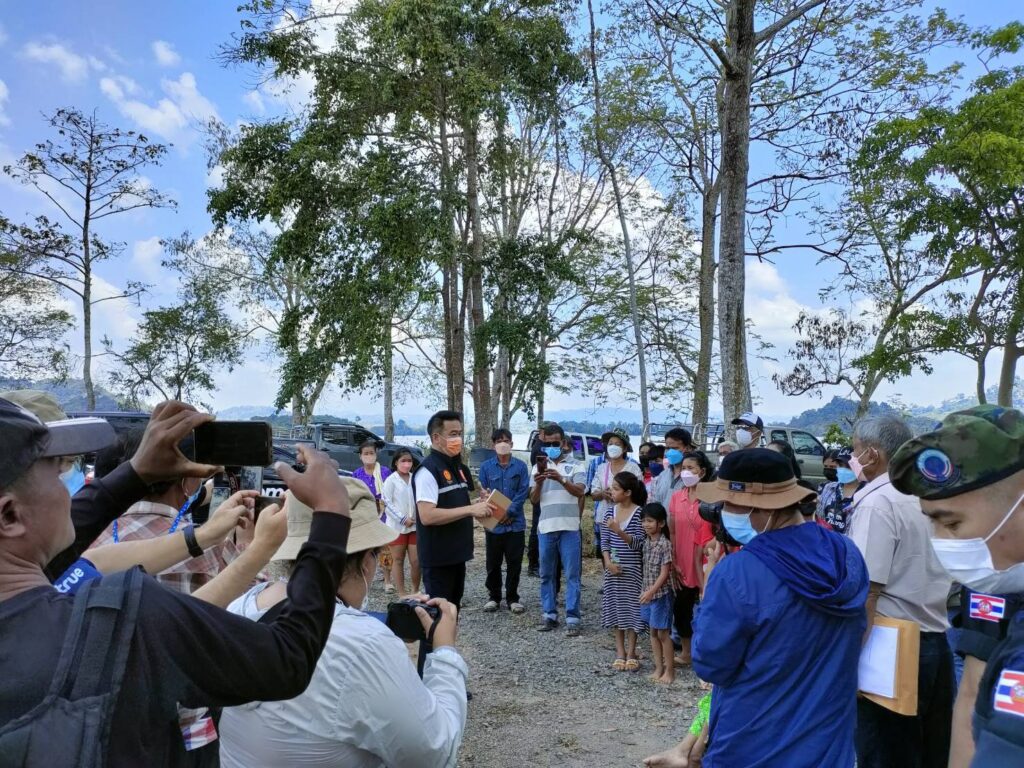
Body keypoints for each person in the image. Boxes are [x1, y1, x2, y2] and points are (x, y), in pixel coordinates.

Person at [0, 398, 355, 766]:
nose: (68, 491)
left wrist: (137, 473)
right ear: (9, 515)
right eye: (55, 474)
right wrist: (331, 512)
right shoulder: (124, 620)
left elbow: (77, 552)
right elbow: (288, 658)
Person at [218, 482, 468, 767]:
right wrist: (444, 651)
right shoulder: (364, 644)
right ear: (366, 561)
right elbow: (435, 752)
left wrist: (383, 624)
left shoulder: (242, 606)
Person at [651, 448, 868, 768]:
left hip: (754, 741)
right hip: (828, 741)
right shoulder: (847, 553)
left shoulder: (738, 573)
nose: (722, 512)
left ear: (759, 506)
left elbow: (711, 664)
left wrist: (710, 590)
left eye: (728, 503)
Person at [888, 405, 1024, 767]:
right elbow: (972, 692)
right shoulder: (992, 581)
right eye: (932, 524)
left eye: (951, 524)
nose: (941, 542)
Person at [847, 415, 953, 768]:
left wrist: (851, 658)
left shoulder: (877, 503)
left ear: (872, 454)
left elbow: (867, 591)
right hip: (935, 637)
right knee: (930, 752)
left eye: (855, 451)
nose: (853, 459)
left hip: (889, 646)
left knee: (885, 751)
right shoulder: (926, 494)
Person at [89, 428, 244, 594]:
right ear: (187, 481)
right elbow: (249, 602)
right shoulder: (211, 548)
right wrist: (246, 543)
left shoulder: (88, 541)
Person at [414, 410, 495, 668]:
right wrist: (471, 509)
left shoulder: (458, 468)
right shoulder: (428, 470)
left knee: (452, 614)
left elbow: (457, 503)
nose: (457, 439)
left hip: (457, 554)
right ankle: (430, 672)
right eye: (452, 434)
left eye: (460, 433)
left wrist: (479, 503)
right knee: (437, 618)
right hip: (438, 557)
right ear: (436, 438)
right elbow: (427, 515)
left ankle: (446, 668)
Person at [530, 423, 586, 637]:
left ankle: (573, 617)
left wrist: (561, 479)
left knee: (572, 574)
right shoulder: (538, 467)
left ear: (563, 443)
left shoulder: (577, 465)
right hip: (546, 527)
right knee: (546, 574)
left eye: (556, 443)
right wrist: (539, 483)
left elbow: (580, 492)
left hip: (570, 527)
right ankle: (549, 614)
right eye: (548, 444)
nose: (552, 447)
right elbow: (533, 500)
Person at [668, 451, 715, 667]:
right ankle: (686, 652)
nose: (686, 472)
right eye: (684, 468)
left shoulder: (712, 498)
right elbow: (673, 531)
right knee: (682, 608)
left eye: (691, 468)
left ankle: (707, 654)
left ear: (702, 472)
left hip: (707, 560)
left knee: (709, 608)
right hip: (682, 560)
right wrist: (674, 559)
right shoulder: (677, 497)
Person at [478, 428, 530, 614]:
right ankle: (494, 597)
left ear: (512, 444)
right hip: (494, 524)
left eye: (506, 440)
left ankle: (513, 598)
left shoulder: (521, 466)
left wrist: (510, 512)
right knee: (493, 563)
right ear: (493, 445)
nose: (503, 444)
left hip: (515, 524)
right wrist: (500, 514)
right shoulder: (486, 467)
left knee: (514, 563)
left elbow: (523, 492)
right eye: (499, 441)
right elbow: (484, 493)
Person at [600, 472, 648, 670]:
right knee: (616, 608)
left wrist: (619, 530)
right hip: (613, 569)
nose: (611, 491)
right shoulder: (609, 512)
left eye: (616, 488)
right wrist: (607, 562)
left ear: (627, 492)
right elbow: (604, 542)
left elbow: (639, 544)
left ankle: (631, 652)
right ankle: (620, 651)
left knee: (632, 609)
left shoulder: (639, 513)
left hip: (633, 570)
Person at [590, 428, 642, 564]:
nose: (613, 446)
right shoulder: (601, 468)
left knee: (627, 550)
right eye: (610, 443)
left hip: (629, 518)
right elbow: (593, 494)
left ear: (624, 448)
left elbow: (639, 492)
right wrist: (603, 494)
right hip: (606, 518)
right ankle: (609, 573)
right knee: (607, 549)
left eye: (617, 444)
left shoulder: (633, 468)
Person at [352, 438, 394, 593]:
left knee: (385, 549)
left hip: (384, 514)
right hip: (365, 515)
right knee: (365, 550)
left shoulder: (385, 472)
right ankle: (363, 580)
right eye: (366, 453)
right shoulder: (357, 474)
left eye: (371, 453)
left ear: (376, 454)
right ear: (360, 456)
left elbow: (391, 493)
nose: (369, 456)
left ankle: (387, 580)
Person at [639, 502, 674, 685]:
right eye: (644, 521)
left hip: (661, 595)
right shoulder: (646, 542)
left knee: (663, 634)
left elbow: (665, 572)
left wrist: (651, 591)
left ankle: (670, 670)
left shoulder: (664, 544)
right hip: (648, 594)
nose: (646, 524)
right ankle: (658, 667)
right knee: (653, 632)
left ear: (661, 523)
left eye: (650, 521)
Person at [382, 448, 420, 596]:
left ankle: (415, 590)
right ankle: (402, 593)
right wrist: (403, 519)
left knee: (416, 561)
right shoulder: (391, 480)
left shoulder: (415, 478)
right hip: (397, 527)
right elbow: (387, 503)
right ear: (396, 462)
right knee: (398, 560)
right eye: (403, 461)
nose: (406, 464)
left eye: (409, 461)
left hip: (415, 526)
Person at [816, 448, 864, 533]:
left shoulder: (866, 493)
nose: (843, 469)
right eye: (840, 465)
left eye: (849, 466)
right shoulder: (828, 488)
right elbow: (820, 518)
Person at [652, 428, 695, 509]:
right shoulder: (663, 475)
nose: (670, 452)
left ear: (687, 448)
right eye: (667, 448)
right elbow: (657, 502)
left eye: (675, 448)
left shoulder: (694, 476)